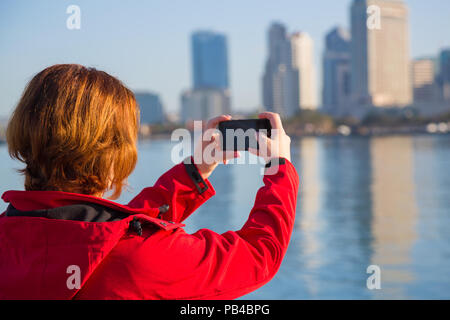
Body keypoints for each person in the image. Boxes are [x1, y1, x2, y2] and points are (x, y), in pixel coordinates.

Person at [0, 64, 299, 300]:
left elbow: (106, 235)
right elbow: (258, 255)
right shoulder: (140, 261)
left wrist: (195, 171)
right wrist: (280, 168)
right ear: (115, 153)